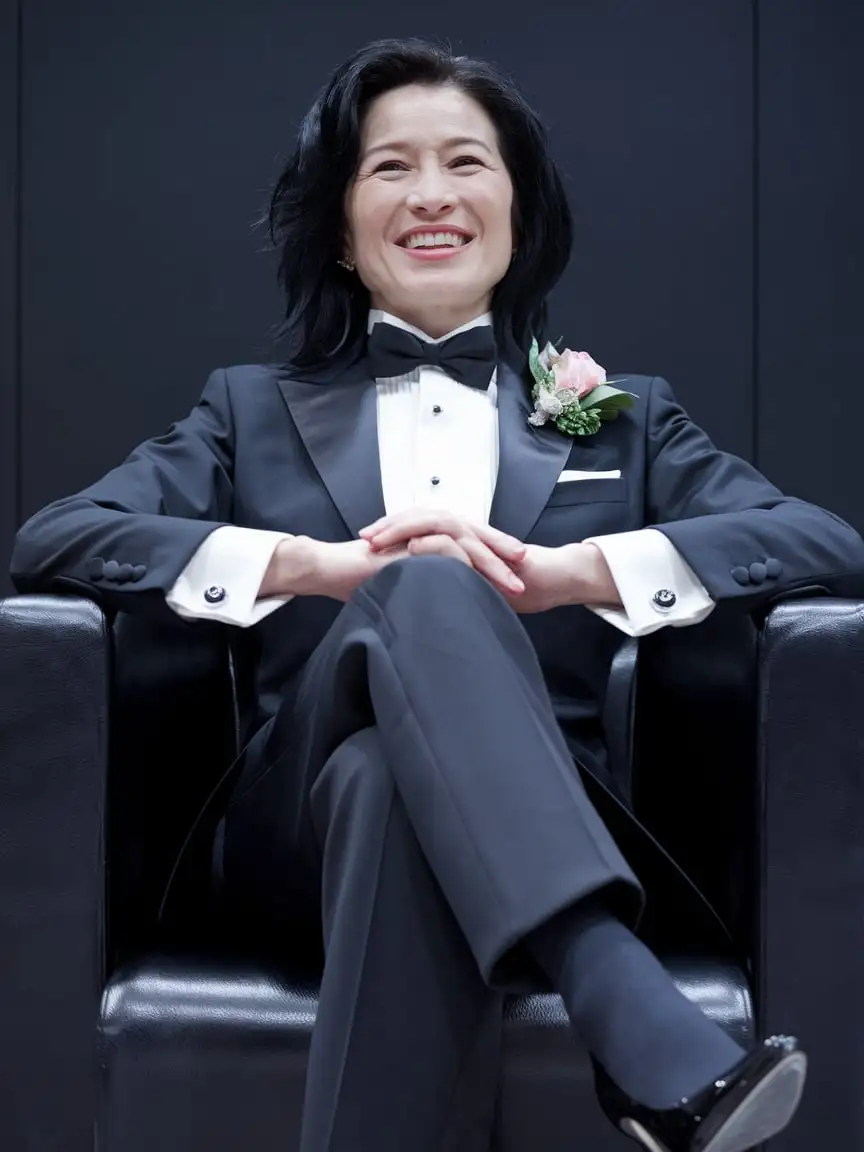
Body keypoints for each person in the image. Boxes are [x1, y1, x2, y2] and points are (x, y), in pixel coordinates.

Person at [10, 36, 864, 1152]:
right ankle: (614, 987)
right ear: (342, 231)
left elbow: (822, 542)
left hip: (533, 813)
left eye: (466, 163)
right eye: (388, 167)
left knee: (391, 786)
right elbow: (59, 537)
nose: (430, 194)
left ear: (518, 217)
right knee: (410, 608)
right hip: (287, 834)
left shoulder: (616, 416)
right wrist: (320, 568)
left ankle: (622, 1015)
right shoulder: (247, 409)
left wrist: (568, 576)